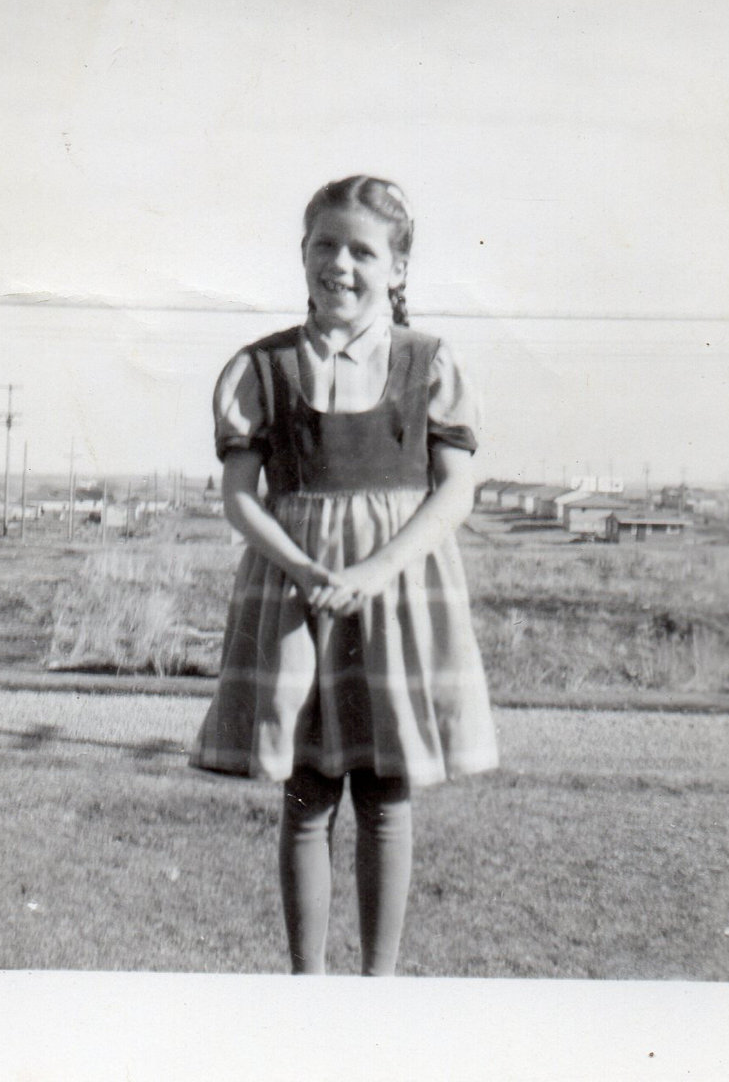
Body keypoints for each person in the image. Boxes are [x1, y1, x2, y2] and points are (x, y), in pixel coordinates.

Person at [190, 174, 499, 976]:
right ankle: (309, 988)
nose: (340, 265)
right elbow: (239, 497)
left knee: (385, 795)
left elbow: (454, 492)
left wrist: (373, 571)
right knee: (305, 795)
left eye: (362, 251)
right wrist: (304, 568)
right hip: (294, 595)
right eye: (324, 246)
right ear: (302, 254)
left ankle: (376, 988)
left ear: (397, 268)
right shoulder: (261, 368)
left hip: (397, 594)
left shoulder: (428, 363)